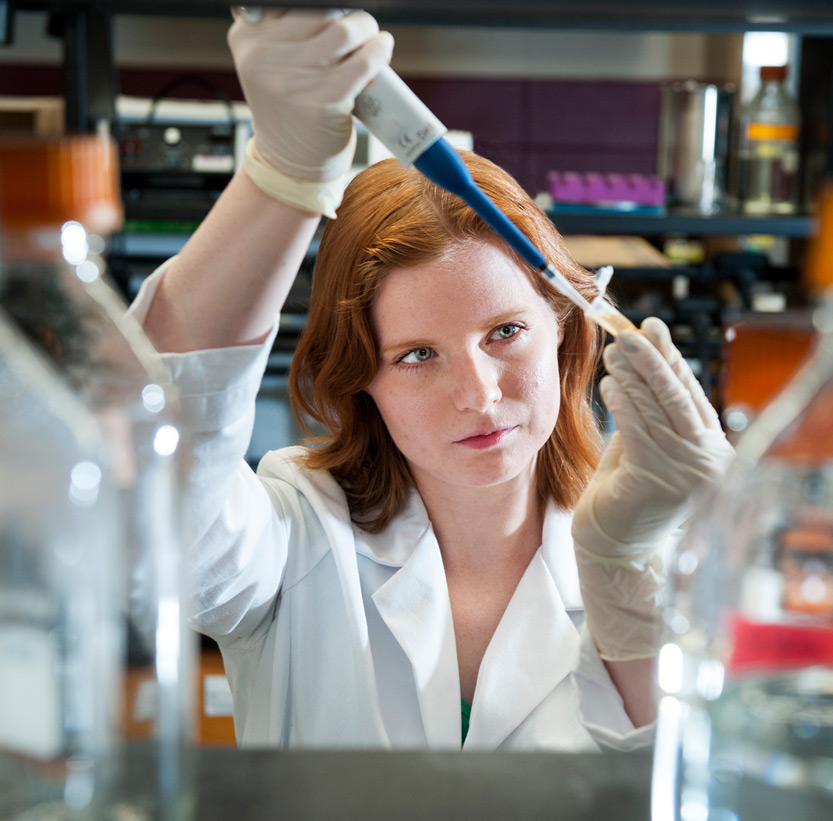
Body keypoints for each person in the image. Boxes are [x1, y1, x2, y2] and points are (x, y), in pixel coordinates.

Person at [131, 9, 734, 750]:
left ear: (566, 330)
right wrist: (283, 174)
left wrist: (621, 569)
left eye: (505, 332)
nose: (479, 394)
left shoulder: (656, 545)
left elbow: (693, 776)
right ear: (362, 382)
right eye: (417, 354)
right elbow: (155, 481)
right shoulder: (297, 537)